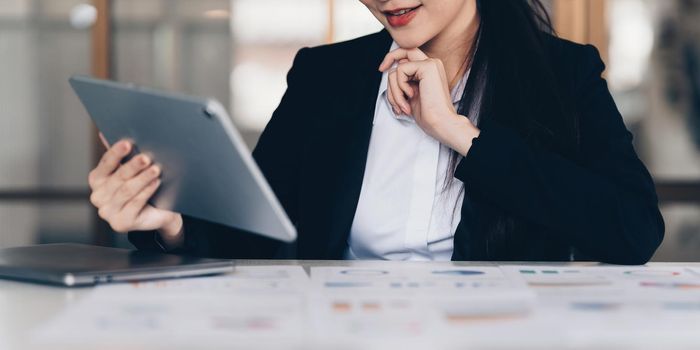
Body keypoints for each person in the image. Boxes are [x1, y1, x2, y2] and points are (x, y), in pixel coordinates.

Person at [87, 0, 665, 264]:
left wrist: (459, 134)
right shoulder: (327, 76)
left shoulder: (562, 72)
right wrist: (171, 224)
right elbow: (263, 233)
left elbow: (632, 230)